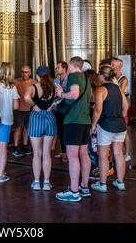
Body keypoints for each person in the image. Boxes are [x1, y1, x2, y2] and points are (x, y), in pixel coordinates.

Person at [55, 56, 92, 202]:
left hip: (73, 121)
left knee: (72, 156)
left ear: (70, 65)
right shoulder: (86, 79)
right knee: (84, 154)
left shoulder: (73, 76)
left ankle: (74, 191)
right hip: (85, 120)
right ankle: (84, 187)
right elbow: (89, 98)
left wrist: (61, 94)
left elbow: (75, 94)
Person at [91, 64, 128, 192]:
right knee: (118, 154)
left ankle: (102, 184)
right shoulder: (118, 89)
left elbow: (98, 109)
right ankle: (120, 182)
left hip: (105, 126)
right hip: (120, 126)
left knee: (103, 155)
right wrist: (118, 117)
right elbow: (126, 107)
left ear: (102, 75)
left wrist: (93, 124)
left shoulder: (100, 90)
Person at [25, 66, 57, 191]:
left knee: (37, 153)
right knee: (46, 153)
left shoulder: (33, 87)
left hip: (36, 117)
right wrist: (53, 105)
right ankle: (47, 183)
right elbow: (60, 97)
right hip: (49, 117)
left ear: (37, 75)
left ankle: (37, 182)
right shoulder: (54, 87)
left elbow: (27, 97)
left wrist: (34, 104)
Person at [12, 65, 35, 157]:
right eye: (22, 72)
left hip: (30, 109)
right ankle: (16, 146)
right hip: (19, 109)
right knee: (18, 128)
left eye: (26, 72)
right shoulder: (16, 82)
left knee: (27, 128)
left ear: (30, 73)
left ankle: (25, 145)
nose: (24, 74)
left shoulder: (34, 82)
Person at [111, 58, 131, 162]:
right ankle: (116, 152)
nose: (111, 65)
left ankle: (127, 153)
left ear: (119, 66)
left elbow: (121, 92)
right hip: (114, 107)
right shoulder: (112, 78)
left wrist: (114, 84)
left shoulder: (124, 79)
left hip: (122, 107)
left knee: (124, 131)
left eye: (113, 64)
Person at [53, 61, 68, 162]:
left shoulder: (70, 80)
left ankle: (68, 154)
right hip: (57, 108)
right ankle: (63, 152)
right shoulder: (56, 80)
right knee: (60, 131)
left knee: (67, 131)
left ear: (64, 68)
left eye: (58, 67)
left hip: (67, 109)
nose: (56, 69)